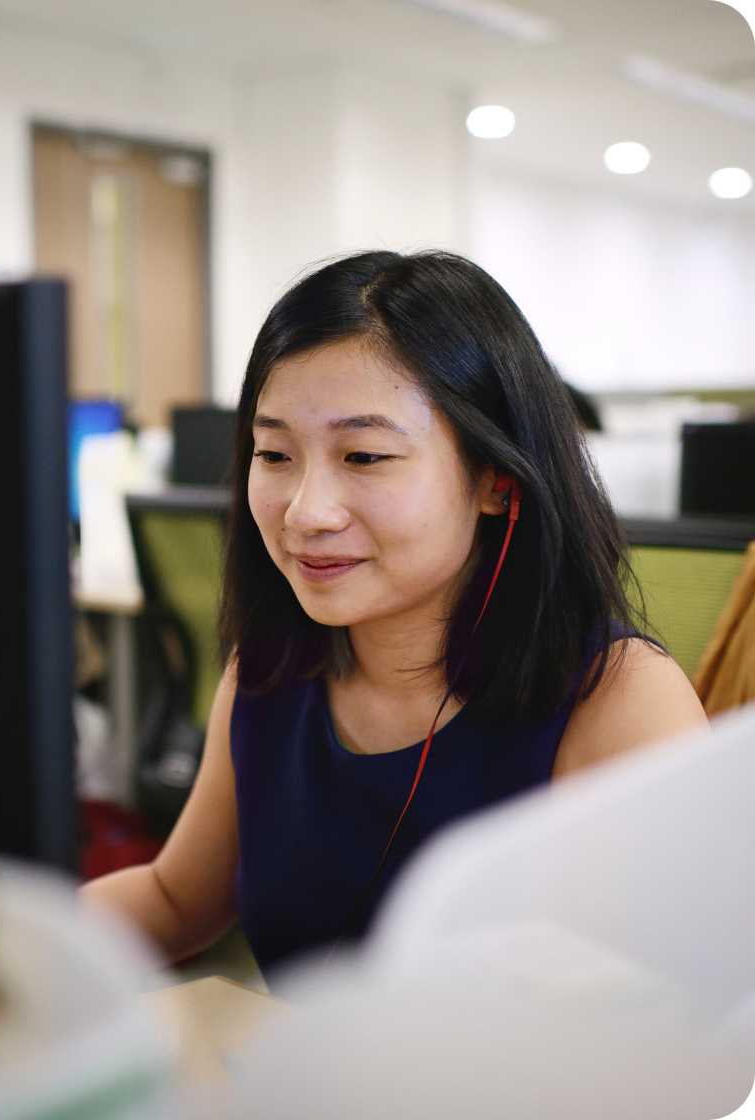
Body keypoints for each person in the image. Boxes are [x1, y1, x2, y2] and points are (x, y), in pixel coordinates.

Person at [79, 250, 706, 985]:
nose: (306, 512)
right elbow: (175, 899)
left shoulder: (618, 701)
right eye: (274, 453)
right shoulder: (269, 674)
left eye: (366, 456)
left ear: (496, 481)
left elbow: (677, 1020)